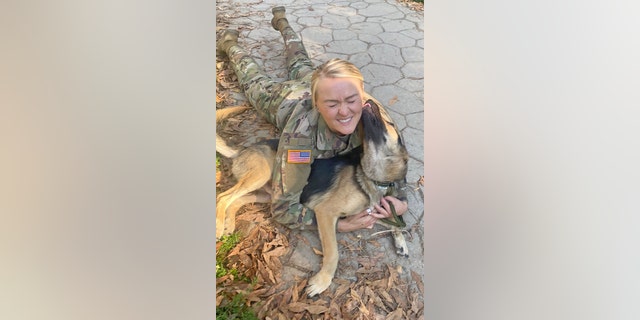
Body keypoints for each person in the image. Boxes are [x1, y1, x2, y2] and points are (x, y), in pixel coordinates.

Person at [217, 6, 409, 232]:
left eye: (351, 100)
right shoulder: (300, 136)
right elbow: (283, 208)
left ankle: (282, 21)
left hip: (319, 84)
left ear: (362, 94)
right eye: (333, 105)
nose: (345, 112)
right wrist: (339, 225)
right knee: (252, 77)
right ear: (318, 105)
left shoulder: (374, 115)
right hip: (285, 100)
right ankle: (229, 43)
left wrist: (401, 202)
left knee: (299, 59)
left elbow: (395, 159)